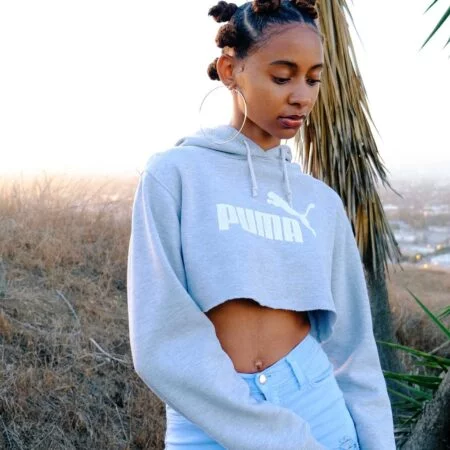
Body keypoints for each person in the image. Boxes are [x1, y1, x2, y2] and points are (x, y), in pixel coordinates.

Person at [126, 1, 396, 449]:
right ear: (230, 70)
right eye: (282, 77)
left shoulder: (321, 204)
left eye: (313, 79)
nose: (302, 96)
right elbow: (161, 339)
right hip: (208, 425)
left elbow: (354, 349)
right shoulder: (175, 176)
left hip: (318, 410)